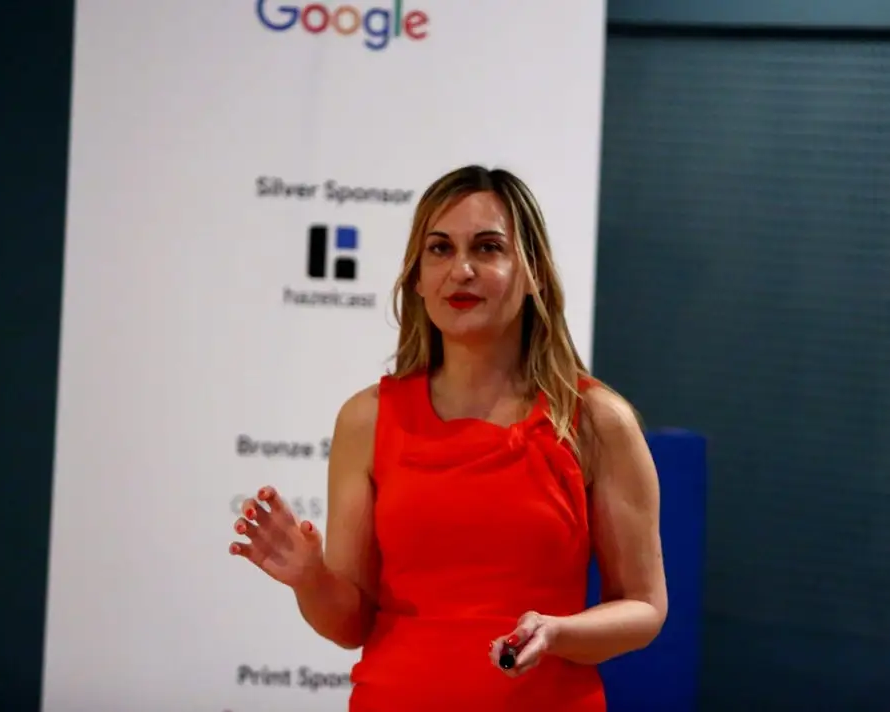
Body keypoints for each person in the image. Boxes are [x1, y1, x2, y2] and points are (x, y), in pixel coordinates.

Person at [229, 164, 667, 711]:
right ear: (416, 276)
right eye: (439, 249)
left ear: (532, 272)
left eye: (487, 248)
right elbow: (349, 624)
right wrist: (310, 578)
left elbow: (644, 609)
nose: (460, 269)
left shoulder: (596, 420)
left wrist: (558, 633)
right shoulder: (367, 419)